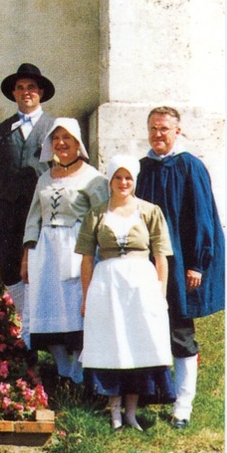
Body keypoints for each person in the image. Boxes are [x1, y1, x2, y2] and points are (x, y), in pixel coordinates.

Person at [135, 106, 225, 430]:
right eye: (153, 128)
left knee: (180, 331)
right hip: (147, 263)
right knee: (150, 326)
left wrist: (197, 265)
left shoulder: (190, 166)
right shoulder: (143, 169)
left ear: (177, 131)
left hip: (181, 262)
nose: (158, 134)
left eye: (164, 129)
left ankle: (183, 407)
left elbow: (202, 216)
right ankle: (157, 392)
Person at [76, 155, 175, 431]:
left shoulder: (150, 211)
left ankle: (131, 412)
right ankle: (115, 412)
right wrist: (86, 298)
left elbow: (161, 256)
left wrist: (161, 294)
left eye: (128, 177)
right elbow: (86, 259)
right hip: (107, 285)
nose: (123, 182)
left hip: (141, 286)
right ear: (110, 180)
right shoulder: (96, 213)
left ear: (135, 180)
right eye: (118, 177)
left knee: (137, 344)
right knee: (112, 344)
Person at [20, 119, 108, 387]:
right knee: (49, 310)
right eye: (56, 138)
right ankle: (64, 371)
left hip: (78, 248)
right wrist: (27, 256)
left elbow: (103, 218)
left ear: (77, 142)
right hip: (47, 253)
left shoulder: (93, 178)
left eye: (66, 137)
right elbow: (34, 218)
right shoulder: (45, 178)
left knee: (76, 309)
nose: (61, 143)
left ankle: (82, 374)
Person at [0, 62, 56, 346]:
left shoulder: (54, 129)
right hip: (10, 217)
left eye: (31, 88)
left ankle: (42, 334)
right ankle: (26, 330)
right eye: (20, 88)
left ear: (40, 93)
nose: (26, 92)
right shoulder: (1, 132)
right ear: (13, 93)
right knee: (10, 270)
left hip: (44, 216)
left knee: (41, 272)